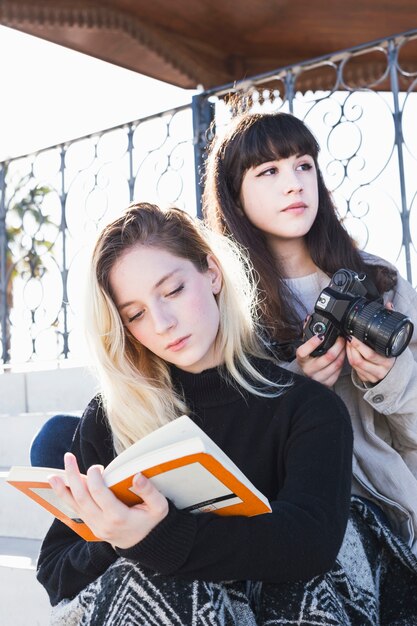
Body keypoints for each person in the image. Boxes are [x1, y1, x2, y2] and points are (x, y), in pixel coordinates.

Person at [36, 201, 366, 625]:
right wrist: (116, 536)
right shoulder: (112, 416)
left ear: (212, 273)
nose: (162, 322)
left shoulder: (307, 407)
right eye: (135, 314)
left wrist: (158, 537)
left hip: (278, 609)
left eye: (172, 290)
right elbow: (55, 571)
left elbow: (310, 543)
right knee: (142, 582)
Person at [203, 109, 417, 555]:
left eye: (304, 165)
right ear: (235, 197)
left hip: (389, 506)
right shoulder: (225, 309)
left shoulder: (380, 281)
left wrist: (390, 378)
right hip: (294, 512)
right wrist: (296, 386)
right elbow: (227, 444)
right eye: (269, 171)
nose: (294, 183)